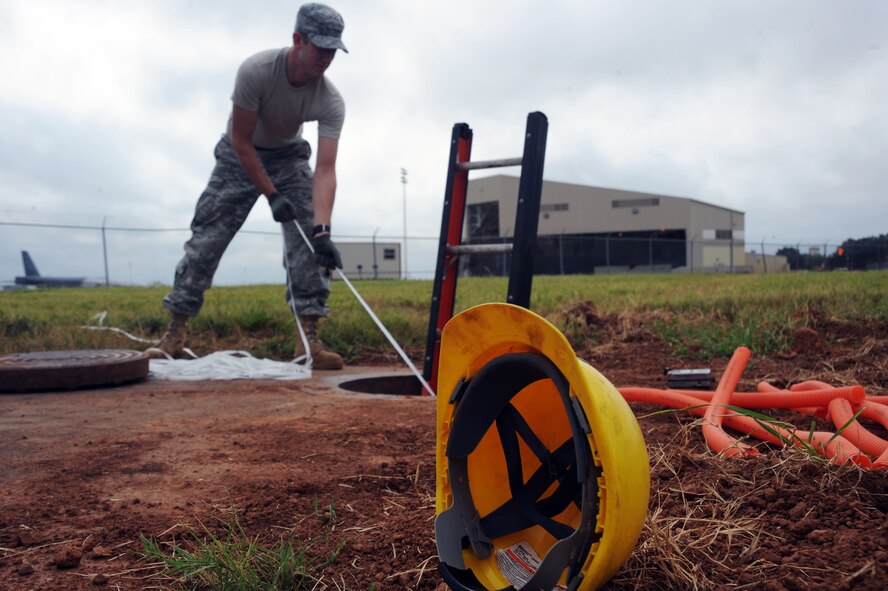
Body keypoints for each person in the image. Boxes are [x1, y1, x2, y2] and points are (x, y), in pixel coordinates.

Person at [149, 3, 348, 370]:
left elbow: (324, 169)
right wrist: (271, 195)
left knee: (308, 244)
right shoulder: (256, 71)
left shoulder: (330, 100)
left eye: (333, 49)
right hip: (238, 157)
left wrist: (322, 231)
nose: (326, 57)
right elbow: (241, 141)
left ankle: (308, 342)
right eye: (320, 47)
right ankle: (173, 335)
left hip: (289, 159)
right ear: (297, 40)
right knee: (206, 240)